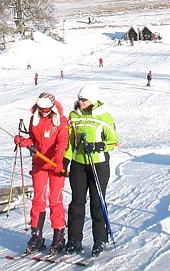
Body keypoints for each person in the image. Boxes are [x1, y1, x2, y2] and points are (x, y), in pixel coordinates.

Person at [63, 85, 119, 258]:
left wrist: (97, 146)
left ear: (92, 100)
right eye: (79, 99)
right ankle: (74, 239)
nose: (80, 102)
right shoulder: (73, 116)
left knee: (97, 202)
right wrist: (66, 160)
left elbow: (114, 141)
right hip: (78, 164)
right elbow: (70, 142)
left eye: (84, 100)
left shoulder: (104, 116)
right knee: (76, 203)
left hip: (98, 164)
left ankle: (100, 240)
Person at [14, 92, 69, 254]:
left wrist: (59, 161)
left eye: (47, 108)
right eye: (41, 108)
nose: (44, 111)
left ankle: (59, 236)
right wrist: (24, 142)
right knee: (38, 199)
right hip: (39, 164)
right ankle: (36, 236)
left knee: (55, 199)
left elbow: (62, 142)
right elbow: (33, 139)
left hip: (55, 166)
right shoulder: (35, 119)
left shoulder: (61, 121)